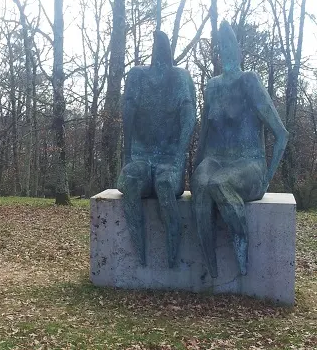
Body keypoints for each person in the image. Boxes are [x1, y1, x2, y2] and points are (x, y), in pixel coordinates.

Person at [191, 21, 288, 278]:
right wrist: (195, 166)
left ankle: (242, 259)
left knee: (219, 184)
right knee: (200, 182)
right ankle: (210, 266)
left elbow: (281, 133)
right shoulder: (212, 86)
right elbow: (205, 135)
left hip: (249, 163)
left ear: (238, 49)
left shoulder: (249, 81)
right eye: (222, 47)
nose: (227, 52)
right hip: (217, 158)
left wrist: (266, 178)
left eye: (230, 45)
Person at [117, 31, 196, 268]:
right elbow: (128, 113)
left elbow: (189, 117)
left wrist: (179, 159)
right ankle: (140, 255)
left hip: (169, 161)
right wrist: (128, 154)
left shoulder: (180, 78)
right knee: (130, 181)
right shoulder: (137, 76)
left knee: (164, 185)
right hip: (142, 157)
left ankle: (173, 254)